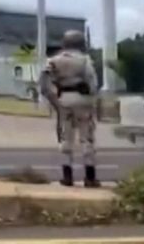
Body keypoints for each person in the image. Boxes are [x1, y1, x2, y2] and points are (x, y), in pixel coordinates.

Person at [40, 30, 100, 188]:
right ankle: (90, 177)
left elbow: (44, 83)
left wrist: (54, 100)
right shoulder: (85, 60)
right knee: (87, 139)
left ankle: (67, 177)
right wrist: (92, 97)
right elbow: (92, 81)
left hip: (63, 99)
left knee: (65, 139)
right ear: (81, 43)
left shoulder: (53, 61)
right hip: (82, 99)